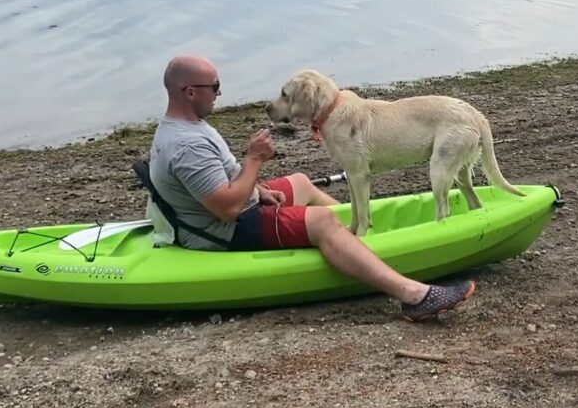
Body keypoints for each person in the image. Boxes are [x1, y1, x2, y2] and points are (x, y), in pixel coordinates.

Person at [146, 54, 477, 322]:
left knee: (301, 183)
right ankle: (413, 295)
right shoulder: (187, 145)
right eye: (214, 87)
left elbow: (224, 178)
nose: (219, 93)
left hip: (237, 206)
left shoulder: (189, 125)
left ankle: (359, 244)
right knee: (322, 221)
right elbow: (228, 209)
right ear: (190, 92)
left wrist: (258, 188)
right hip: (224, 230)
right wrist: (254, 160)